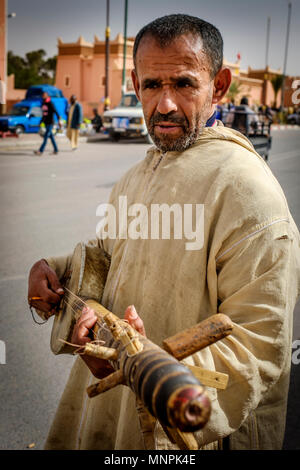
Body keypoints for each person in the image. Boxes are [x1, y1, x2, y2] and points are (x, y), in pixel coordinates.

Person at [28, 14, 300, 450]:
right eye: (153, 85)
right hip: (113, 414)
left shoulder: (248, 193)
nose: (166, 104)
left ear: (220, 84)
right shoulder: (137, 175)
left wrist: (154, 376)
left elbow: (260, 344)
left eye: (184, 84)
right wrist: (55, 274)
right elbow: (111, 259)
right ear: (136, 85)